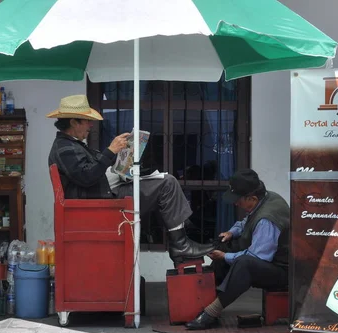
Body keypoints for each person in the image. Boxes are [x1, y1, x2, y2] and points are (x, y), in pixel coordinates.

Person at [47, 94, 214, 262]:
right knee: (167, 183)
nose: (90, 125)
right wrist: (110, 151)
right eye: (86, 121)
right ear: (74, 122)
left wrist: (121, 156)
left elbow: (93, 169)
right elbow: (87, 176)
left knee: (164, 182)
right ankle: (180, 245)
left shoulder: (71, 145)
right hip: (101, 199)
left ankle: (180, 241)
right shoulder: (65, 148)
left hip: (104, 192)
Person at [186, 169, 290, 330]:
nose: (235, 203)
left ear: (252, 198)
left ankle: (211, 313)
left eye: (238, 200)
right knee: (224, 245)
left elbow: (257, 257)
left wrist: (225, 256)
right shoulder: (265, 199)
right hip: (269, 261)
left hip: (283, 272)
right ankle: (204, 300)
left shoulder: (267, 220)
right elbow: (245, 222)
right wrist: (230, 233)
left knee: (244, 264)